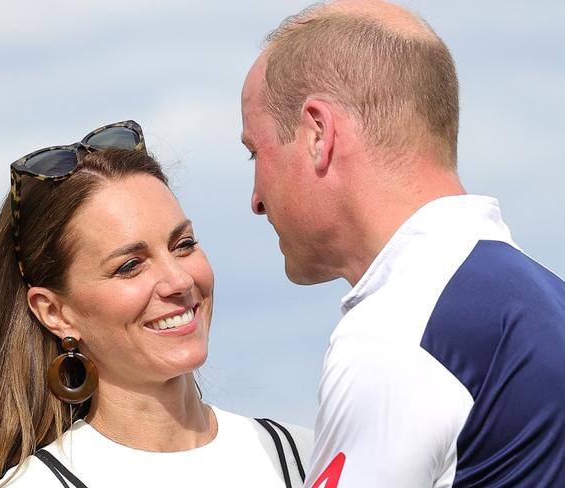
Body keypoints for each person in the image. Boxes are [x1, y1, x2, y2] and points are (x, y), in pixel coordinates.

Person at [241, 1, 565, 487]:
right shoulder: (546, 300)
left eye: (255, 153)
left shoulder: (396, 333)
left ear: (317, 133)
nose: (256, 200)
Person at [0, 120, 312, 488]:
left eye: (183, 244)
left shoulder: (310, 457)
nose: (179, 281)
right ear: (55, 313)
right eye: (130, 266)